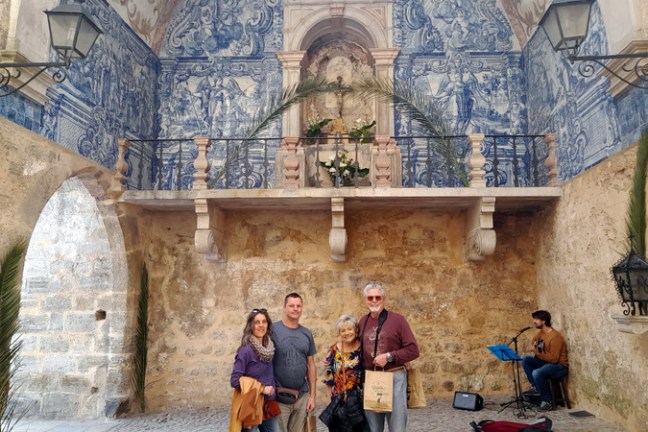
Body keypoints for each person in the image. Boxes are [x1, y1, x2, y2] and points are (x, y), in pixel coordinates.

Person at [358, 282, 420, 432]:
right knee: (373, 429)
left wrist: (389, 356)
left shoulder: (398, 320)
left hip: (394, 378)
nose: (374, 300)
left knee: (397, 428)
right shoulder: (362, 321)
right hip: (371, 380)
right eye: (370, 297)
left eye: (377, 297)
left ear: (383, 299)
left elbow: (413, 350)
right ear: (365, 300)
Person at [271, 293, 317, 432]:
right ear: (284, 308)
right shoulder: (272, 330)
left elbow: (311, 365)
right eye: (291, 306)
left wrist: (312, 396)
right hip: (279, 397)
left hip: (301, 397)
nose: (295, 309)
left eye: (298, 306)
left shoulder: (306, 333)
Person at [229, 308, 280, 432]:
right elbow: (235, 380)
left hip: (268, 405)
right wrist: (262, 389)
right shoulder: (245, 351)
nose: (261, 326)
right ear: (251, 325)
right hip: (251, 406)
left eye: (264, 322)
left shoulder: (270, 348)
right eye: (257, 322)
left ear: (268, 325)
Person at [321, 314, 366, 432]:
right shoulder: (335, 348)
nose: (347, 333)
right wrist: (332, 393)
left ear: (356, 330)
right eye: (343, 330)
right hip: (339, 399)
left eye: (350, 329)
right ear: (339, 333)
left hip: (359, 400)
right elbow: (329, 371)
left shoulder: (363, 348)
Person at [521, 310, 569, 411]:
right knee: (525, 360)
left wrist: (537, 353)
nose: (534, 321)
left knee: (537, 373)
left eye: (536, 319)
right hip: (547, 362)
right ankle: (536, 386)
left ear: (543, 321)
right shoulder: (542, 333)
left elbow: (554, 359)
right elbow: (535, 339)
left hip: (559, 366)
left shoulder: (555, 337)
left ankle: (547, 401)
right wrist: (534, 343)